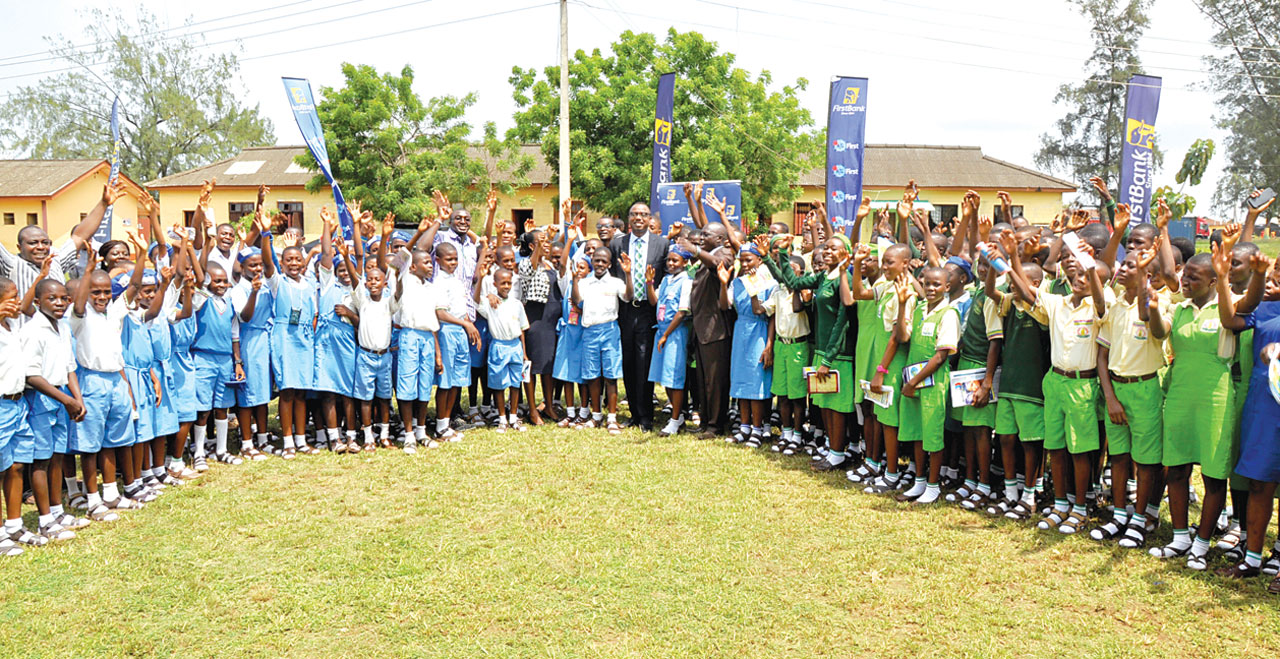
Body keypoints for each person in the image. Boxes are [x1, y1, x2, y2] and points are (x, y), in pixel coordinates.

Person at [1003, 230, 1108, 535]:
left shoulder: (1099, 306)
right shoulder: (1057, 303)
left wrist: (1090, 265)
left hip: (1082, 386)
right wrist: (1012, 257)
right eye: (1077, 273)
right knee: (1056, 448)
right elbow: (1027, 292)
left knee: (1080, 451)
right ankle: (1060, 505)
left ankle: (1079, 509)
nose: (1080, 279)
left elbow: (1101, 300)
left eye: (1087, 275)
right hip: (1055, 381)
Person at [1090, 246, 1167, 546]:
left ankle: (1139, 518)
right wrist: (1110, 397)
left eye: (1132, 266)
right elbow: (1102, 356)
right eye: (1123, 264)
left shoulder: (1157, 303)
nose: (1122, 269)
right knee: (1119, 457)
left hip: (1144, 389)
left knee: (1145, 461)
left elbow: (1154, 326)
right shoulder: (1116, 306)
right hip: (1116, 389)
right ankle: (1120, 514)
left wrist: (1145, 279)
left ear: (1149, 274)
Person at [68, 250, 142, 517]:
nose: (101, 297)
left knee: (114, 440)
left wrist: (141, 255)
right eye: (95, 292)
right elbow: (79, 304)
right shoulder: (80, 315)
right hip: (92, 381)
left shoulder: (114, 311)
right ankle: (92, 500)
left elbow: (134, 285)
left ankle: (111, 494)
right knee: (90, 445)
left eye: (106, 292)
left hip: (115, 380)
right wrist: (88, 270)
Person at [20, 277, 89, 539]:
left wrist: (77, 399)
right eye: (52, 298)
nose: (59, 303)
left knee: (58, 455)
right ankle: (45, 520)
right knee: (41, 460)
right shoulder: (32, 331)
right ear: (38, 302)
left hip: (61, 397)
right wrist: (66, 400)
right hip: (41, 399)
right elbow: (31, 375)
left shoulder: (62, 327)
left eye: (63, 298)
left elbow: (70, 367)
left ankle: (58, 510)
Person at [895, 267, 961, 504]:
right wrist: (902, 304)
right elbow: (902, 337)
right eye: (927, 284)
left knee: (932, 435)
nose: (931, 288)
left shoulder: (949, 314)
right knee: (917, 433)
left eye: (936, 285)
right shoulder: (920, 309)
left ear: (947, 287)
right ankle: (919, 481)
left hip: (932, 382)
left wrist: (913, 382)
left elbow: (941, 356)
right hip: (913, 381)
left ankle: (933, 487)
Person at [610, 202, 668, 431]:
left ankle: (645, 416)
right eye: (634, 214)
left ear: (649, 218)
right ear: (629, 218)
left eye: (643, 214)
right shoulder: (617, 243)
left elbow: (665, 275)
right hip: (625, 309)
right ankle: (634, 413)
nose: (639, 218)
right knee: (628, 360)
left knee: (644, 360)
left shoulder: (661, 244)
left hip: (648, 309)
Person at [675, 224, 735, 438]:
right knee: (703, 380)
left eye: (706, 235)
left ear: (720, 239)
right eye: (701, 234)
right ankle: (705, 420)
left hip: (715, 329)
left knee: (715, 381)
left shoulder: (725, 254)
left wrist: (695, 250)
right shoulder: (709, 253)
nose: (701, 237)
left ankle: (715, 425)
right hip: (702, 328)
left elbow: (718, 264)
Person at [571, 247, 634, 435]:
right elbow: (577, 300)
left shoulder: (615, 282)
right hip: (590, 331)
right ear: (592, 261)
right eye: (596, 260)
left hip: (609, 331)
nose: (599, 264)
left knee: (610, 375)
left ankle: (612, 417)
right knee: (592, 375)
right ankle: (596, 415)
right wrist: (575, 281)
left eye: (603, 261)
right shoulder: (585, 282)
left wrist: (628, 274)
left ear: (609, 264)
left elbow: (628, 297)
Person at [189, 262, 244, 470]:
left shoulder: (230, 305)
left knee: (222, 406)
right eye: (216, 281)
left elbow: (234, 336)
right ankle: (199, 452)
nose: (221, 285)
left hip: (225, 360)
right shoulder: (201, 301)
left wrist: (237, 362)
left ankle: (221, 450)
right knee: (203, 409)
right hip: (204, 358)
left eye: (224, 281)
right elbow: (199, 281)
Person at [723, 241, 775, 447]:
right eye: (741, 260)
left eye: (749, 260)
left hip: (759, 332)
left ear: (759, 260)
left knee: (756, 381)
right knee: (741, 380)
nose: (744, 264)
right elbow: (725, 305)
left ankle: (757, 428)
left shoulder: (769, 283)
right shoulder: (737, 282)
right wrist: (723, 283)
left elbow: (768, 315)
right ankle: (744, 427)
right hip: (741, 332)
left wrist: (769, 344)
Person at [762, 248, 811, 455]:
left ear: (801, 273)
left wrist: (797, 287)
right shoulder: (779, 291)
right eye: (785, 269)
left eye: (793, 269)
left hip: (798, 346)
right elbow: (765, 311)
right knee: (781, 394)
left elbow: (800, 307)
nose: (788, 272)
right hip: (781, 345)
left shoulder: (805, 291)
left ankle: (798, 435)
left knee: (797, 395)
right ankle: (786, 432)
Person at [432, 242, 480, 442]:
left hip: (460, 331)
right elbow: (440, 313)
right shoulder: (439, 282)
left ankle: (447, 422)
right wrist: (465, 324)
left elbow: (462, 309)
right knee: (445, 381)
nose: (453, 263)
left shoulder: (457, 281)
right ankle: (440, 426)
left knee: (456, 381)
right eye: (449, 259)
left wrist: (469, 325)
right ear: (438, 260)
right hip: (447, 331)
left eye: (455, 259)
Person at [646, 246, 693, 437]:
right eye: (669, 260)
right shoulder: (666, 280)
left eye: (675, 260)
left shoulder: (686, 282)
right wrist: (649, 282)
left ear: (685, 262)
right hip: (662, 331)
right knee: (665, 377)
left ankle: (675, 420)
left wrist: (666, 334)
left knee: (675, 377)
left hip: (675, 334)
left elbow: (682, 312)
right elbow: (654, 301)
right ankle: (677, 416)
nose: (671, 264)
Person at [477, 268, 530, 433]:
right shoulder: (490, 303)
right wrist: (485, 289)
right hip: (499, 346)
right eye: (503, 283)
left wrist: (524, 352)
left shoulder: (517, 304)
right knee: (498, 384)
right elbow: (475, 300)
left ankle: (513, 417)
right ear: (495, 284)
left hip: (515, 346)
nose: (506, 286)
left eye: (509, 283)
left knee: (515, 383)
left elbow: (522, 329)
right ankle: (502, 419)